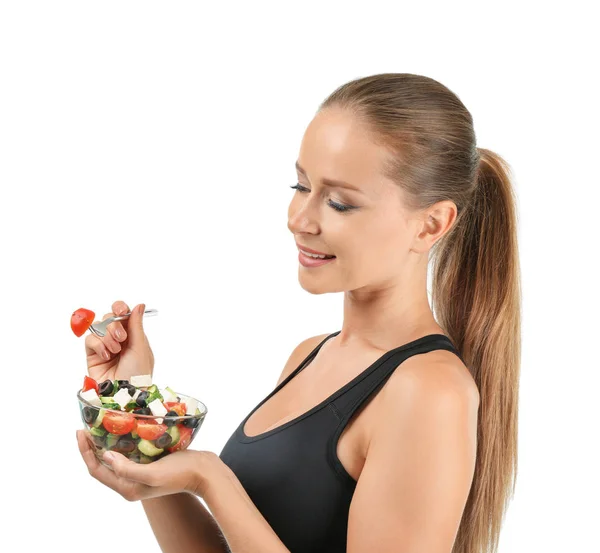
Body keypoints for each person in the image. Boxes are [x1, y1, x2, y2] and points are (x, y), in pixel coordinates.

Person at [77, 72, 521, 553]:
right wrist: (133, 404)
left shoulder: (430, 392)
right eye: (300, 184)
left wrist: (211, 480)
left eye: (339, 203)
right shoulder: (310, 355)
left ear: (431, 225)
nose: (299, 219)